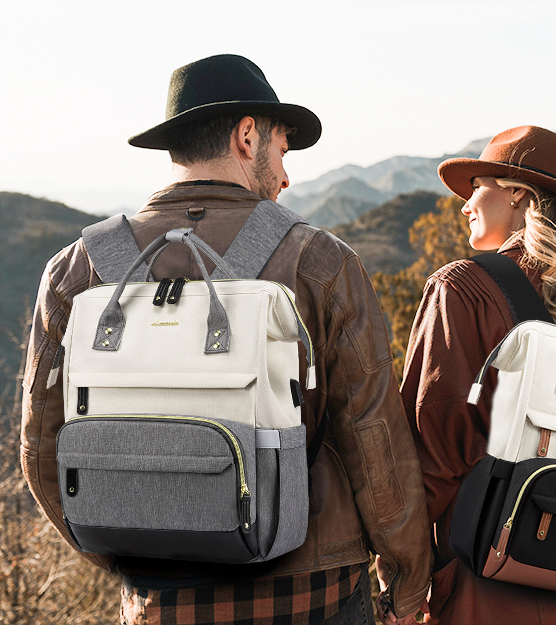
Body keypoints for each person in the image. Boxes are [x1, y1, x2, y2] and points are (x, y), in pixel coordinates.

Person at [18, 54, 433, 624]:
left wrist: (127, 545)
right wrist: (407, 581)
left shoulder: (78, 267)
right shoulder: (319, 261)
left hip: (162, 602)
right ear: (246, 136)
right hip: (313, 595)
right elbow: (375, 440)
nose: (286, 177)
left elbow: (41, 447)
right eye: (283, 151)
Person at [399, 126, 556, 624]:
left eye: (477, 187)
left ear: (517, 195)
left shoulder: (463, 289)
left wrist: (404, 569)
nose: (465, 204)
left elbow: (433, 450)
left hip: (488, 570)